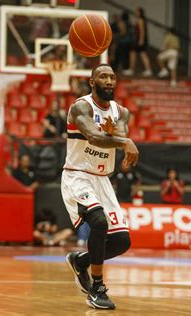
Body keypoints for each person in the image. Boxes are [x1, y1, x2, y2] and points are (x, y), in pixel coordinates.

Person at [62, 63, 138, 310]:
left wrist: (119, 137)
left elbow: (119, 133)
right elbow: (94, 136)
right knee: (98, 222)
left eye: (112, 77)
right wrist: (123, 140)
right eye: (103, 77)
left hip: (102, 179)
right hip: (78, 175)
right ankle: (97, 289)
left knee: (121, 241)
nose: (109, 81)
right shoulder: (80, 107)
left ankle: (81, 261)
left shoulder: (121, 112)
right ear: (92, 82)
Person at [122, 7, 152, 77]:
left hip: (139, 40)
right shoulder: (139, 20)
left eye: (137, 11)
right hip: (138, 40)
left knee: (139, 54)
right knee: (136, 53)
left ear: (140, 12)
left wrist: (141, 40)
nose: (135, 13)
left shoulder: (140, 20)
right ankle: (145, 70)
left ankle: (134, 70)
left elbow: (142, 31)